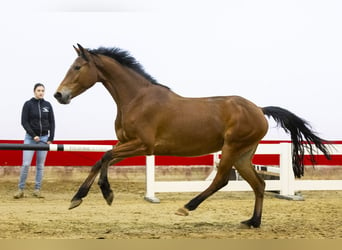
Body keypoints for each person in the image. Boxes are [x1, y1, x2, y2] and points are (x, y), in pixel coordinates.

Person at [14, 83, 55, 199]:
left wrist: (50, 138)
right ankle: (20, 190)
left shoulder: (48, 105)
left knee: (40, 165)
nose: (41, 92)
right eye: (38, 90)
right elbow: (24, 122)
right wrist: (33, 135)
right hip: (30, 138)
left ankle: (37, 190)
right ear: (34, 91)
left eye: (42, 90)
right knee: (26, 164)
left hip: (44, 139)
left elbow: (52, 122)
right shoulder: (28, 104)